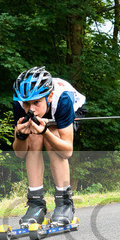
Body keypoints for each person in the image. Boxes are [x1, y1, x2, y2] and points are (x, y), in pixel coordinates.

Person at [11, 66, 86, 226]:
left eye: (36, 103)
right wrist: (21, 135)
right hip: (47, 113)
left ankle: (64, 203)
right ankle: (36, 204)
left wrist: (45, 131)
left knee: (53, 140)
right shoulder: (19, 103)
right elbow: (20, 153)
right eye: (26, 104)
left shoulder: (63, 99)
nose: (31, 109)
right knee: (33, 139)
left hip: (69, 108)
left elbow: (67, 151)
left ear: (49, 96)